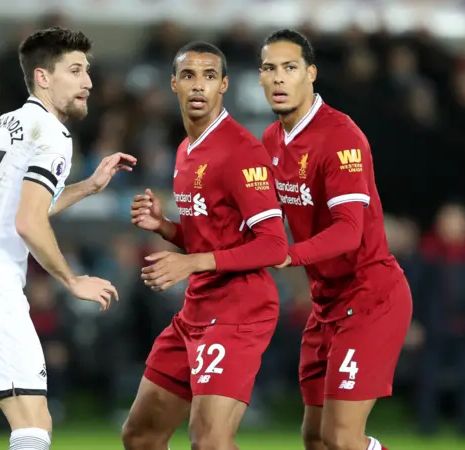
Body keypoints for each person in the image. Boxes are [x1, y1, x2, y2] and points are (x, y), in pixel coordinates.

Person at [0, 27, 135, 450]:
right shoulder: (54, 134)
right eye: (75, 71)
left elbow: (17, 208)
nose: (87, 82)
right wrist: (72, 279)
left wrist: (87, 187)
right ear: (43, 77)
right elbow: (28, 223)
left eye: (87, 71)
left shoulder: (4, 125)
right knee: (33, 422)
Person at [122, 41, 289, 450]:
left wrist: (191, 262)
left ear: (224, 86)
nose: (199, 86)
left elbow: (273, 247)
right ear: (174, 84)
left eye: (210, 76)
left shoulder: (242, 152)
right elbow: (212, 236)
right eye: (190, 76)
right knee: (141, 435)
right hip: (197, 309)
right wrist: (164, 227)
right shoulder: (185, 150)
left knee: (210, 441)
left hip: (239, 310)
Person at [259, 29, 413, 450]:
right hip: (326, 303)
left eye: (289, 68)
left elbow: (349, 231)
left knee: (342, 438)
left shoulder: (340, 136)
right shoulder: (271, 140)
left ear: (311, 73)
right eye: (270, 68)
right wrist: (172, 229)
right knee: (315, 437)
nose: (278, 78)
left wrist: (288, 256)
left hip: (370, 298)